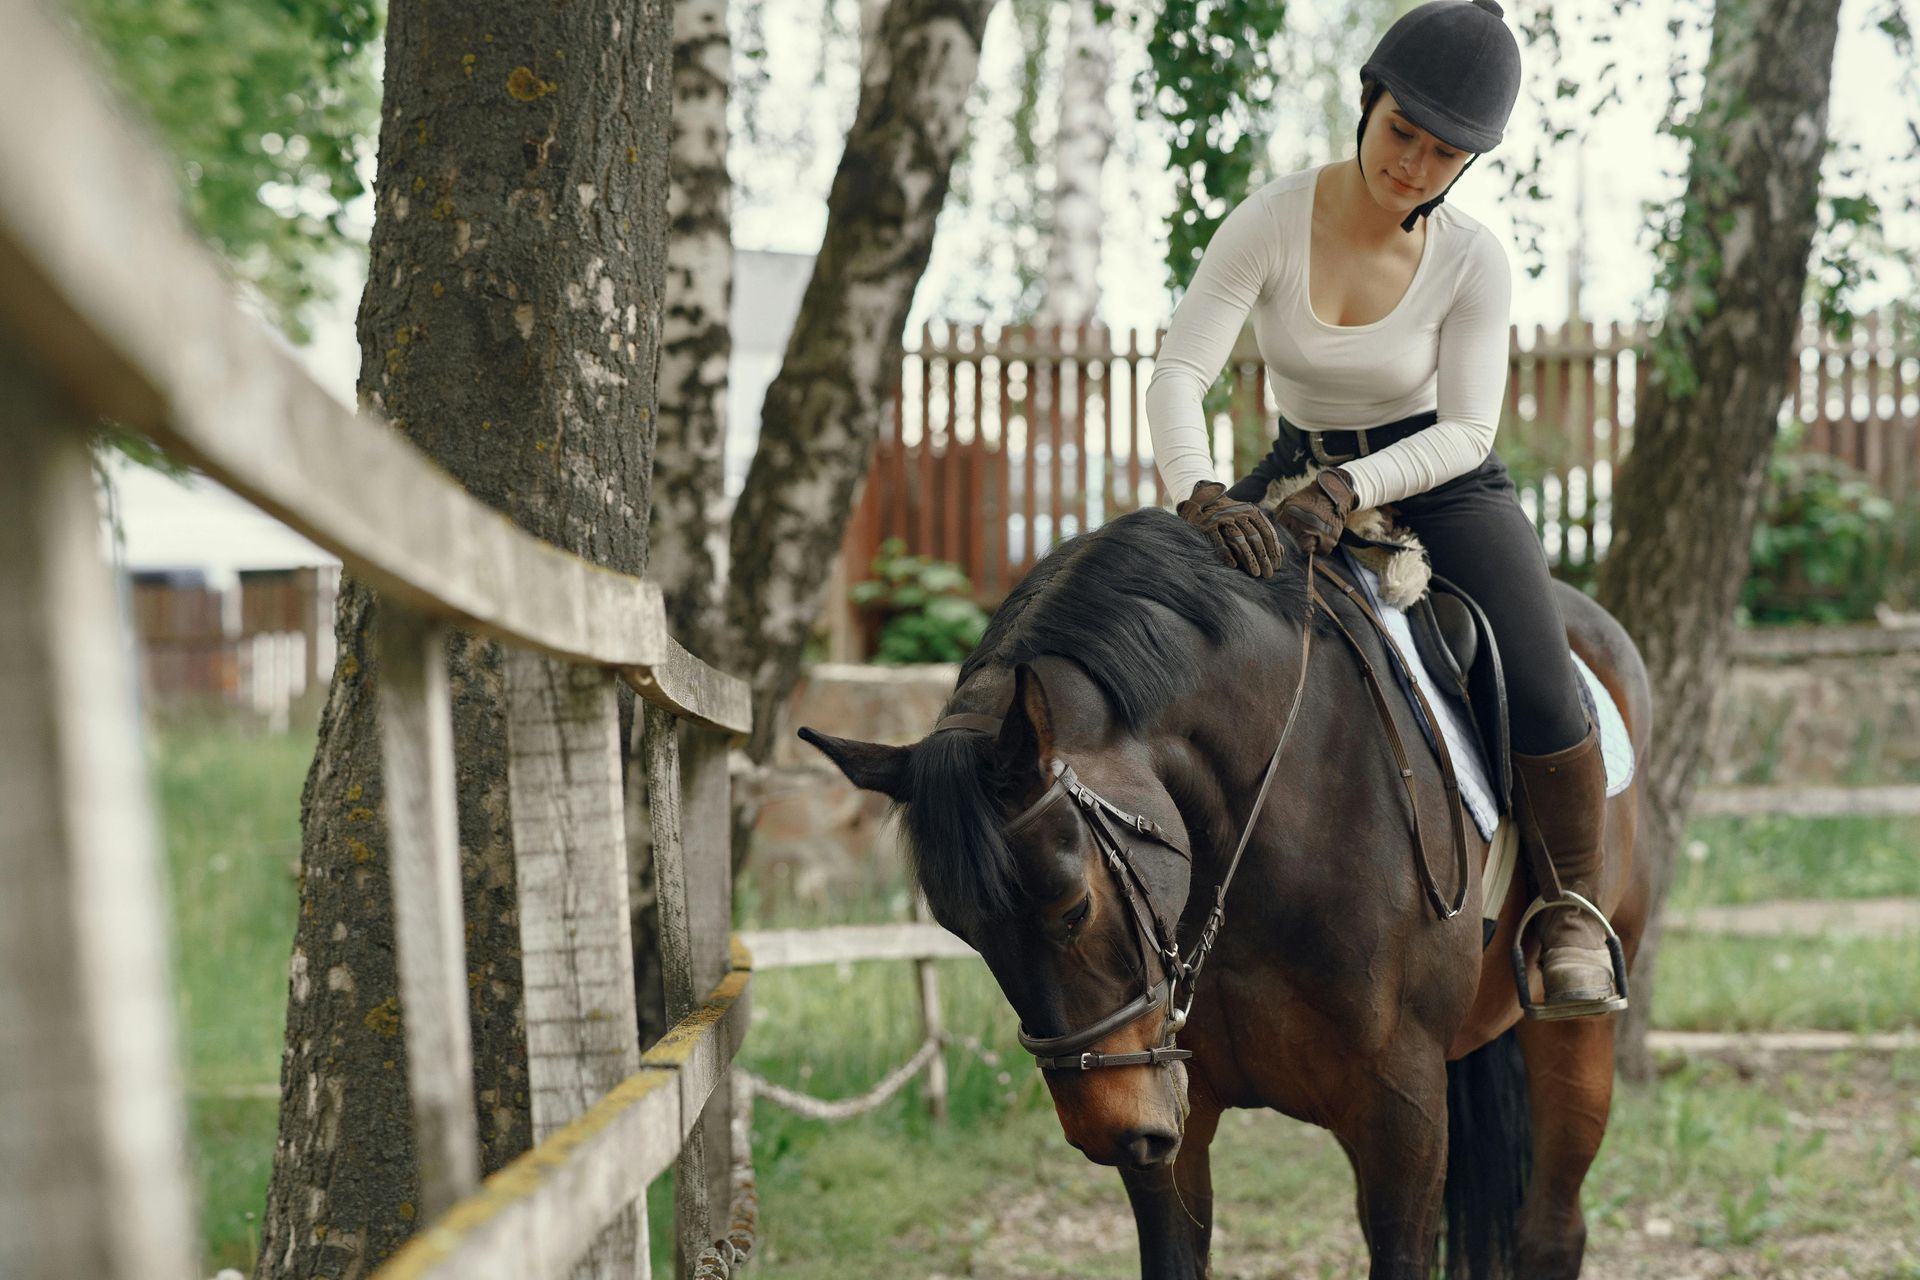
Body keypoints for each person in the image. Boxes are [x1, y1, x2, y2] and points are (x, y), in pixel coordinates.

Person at [1145, 0, 1625, 1020]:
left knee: (1541, 675)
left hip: (1437, 480)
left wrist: (1350, 488)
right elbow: (1181, 368)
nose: (1411, 164)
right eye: (1401, 131)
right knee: (1153, 626)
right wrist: (1197, 489)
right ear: (1367, 102)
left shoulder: (1472, 258)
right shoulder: (1270, 219)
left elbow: (1467, 431)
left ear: (1469, 165)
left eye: (1443, 154)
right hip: (1291, 466)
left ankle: (1571, 911)